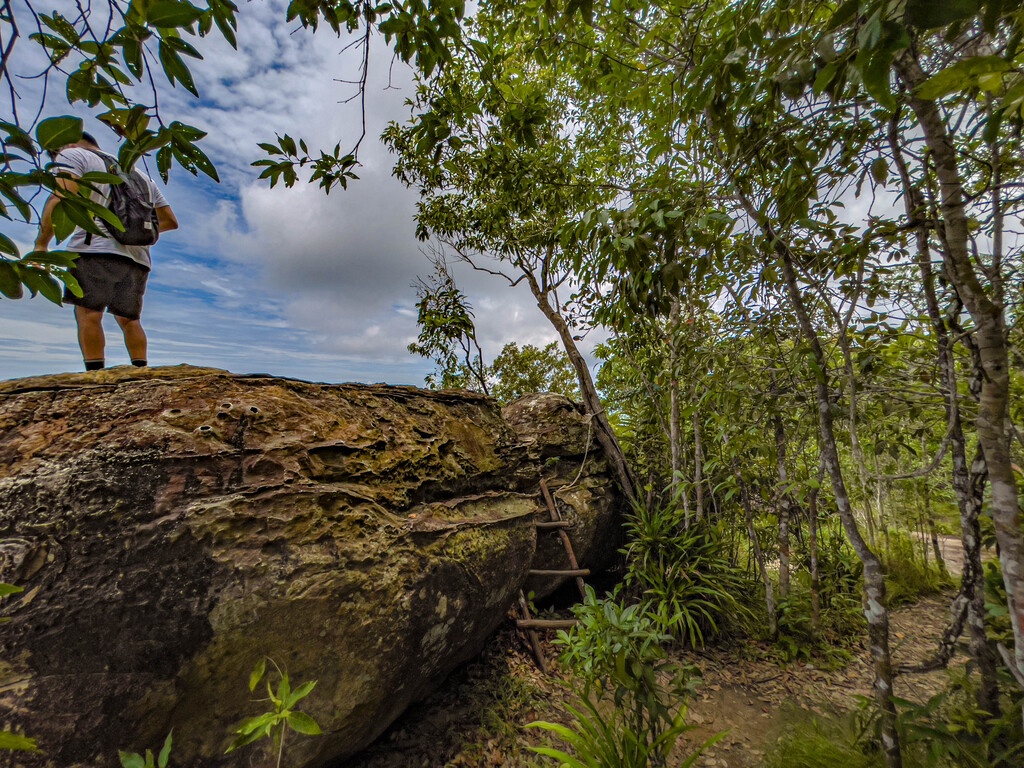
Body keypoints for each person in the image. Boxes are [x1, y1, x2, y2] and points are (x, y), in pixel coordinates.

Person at [34, 131, 178, 371]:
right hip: (138, 257)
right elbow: (169, 221)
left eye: (54, 153)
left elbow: (61, 196)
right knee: (130, 320)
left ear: (67, 143)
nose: (55, 158)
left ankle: (95, 377)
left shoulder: (73, 155)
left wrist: (42, 244)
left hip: (95, 249)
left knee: (89, 314)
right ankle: (140, 370)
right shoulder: (139, 175)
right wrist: (130, 233)